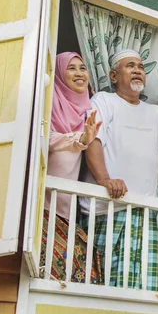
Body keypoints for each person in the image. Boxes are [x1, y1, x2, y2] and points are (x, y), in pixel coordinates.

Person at [80, 48, 158, 291]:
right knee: (105, 288)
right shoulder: (103, 101)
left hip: (145, 213)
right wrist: (105, 180)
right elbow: (93, 141)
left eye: (141, 67)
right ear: (113, 76)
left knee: (145, 288)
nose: (137, 70)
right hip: (107, 210)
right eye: (130, 65)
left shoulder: (154, 112)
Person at [40, 52, 102, 284]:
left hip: (65, 211)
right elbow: (45, 138)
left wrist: (84, 137)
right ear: (58, 74)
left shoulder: (88, 113)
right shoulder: (48, 103)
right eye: (72, 68)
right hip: (40, 208)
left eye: (83, 68)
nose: (79, 73)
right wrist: (79, 138)